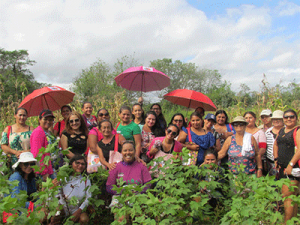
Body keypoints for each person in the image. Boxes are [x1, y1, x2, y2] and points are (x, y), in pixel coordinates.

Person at [106, 141, 152, 223]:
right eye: (125, 150)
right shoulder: (116, 167)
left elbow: (148, 184)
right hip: (120, 196)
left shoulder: (141, 166)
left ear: (135, 151)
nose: (128, 153)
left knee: (139, 218)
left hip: (137, 196)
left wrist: (138, 192)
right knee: (121, 219)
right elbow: (109, 186)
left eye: (130, 150)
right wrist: (122, 192)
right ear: (121, 152)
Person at [273, 109, 300, 223]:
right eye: (286, 117)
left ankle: (286, 222)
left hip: (292, 169)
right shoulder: (282, 130)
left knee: (288, 198)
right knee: (291, 199)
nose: (289, 119)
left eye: (292, 117)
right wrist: (276, 158)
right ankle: (293, 222)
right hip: (282, 168)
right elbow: (275, 144)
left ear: (296, 118)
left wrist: (290, 164)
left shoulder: (297, 130)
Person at [55, 155, 91, 224]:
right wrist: (62, 207)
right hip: (63, 207)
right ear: (71, 163)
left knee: (84, 219)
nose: (80, 166)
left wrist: (79, 211)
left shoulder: (86, 179)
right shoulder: (63, 177)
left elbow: (88, 197)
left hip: (78, 209)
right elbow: (57, 193)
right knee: (55, 215)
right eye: (77, 163)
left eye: (82, 164)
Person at [30, 109, 56, 181]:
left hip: (51, 167)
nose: (48, 121)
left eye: (50, 120)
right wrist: (43, 171)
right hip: (45, 170)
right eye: (45, 119)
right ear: (39, 119)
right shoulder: (38, 132)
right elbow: (37, 153)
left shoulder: (48, 132)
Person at [265, 110, 284, 175]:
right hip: (270, 162)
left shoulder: (288, 131)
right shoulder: (268, 132)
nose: (276, 121)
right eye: (274, 119)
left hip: (285, 163)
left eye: (278, 119)